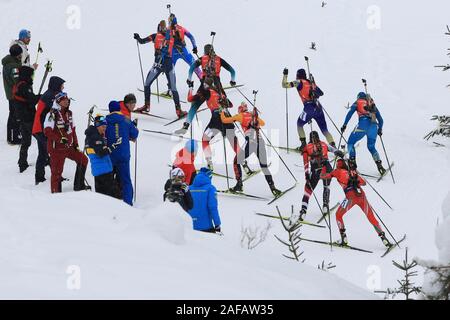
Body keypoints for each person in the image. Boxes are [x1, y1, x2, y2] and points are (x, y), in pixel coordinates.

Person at [320, 159, 392, 248]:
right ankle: (384, 238)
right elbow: (364, 183)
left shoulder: (337, 171)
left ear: (338, 166)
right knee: (371, 217)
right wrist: (355, 175)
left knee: (338, 215)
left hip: (350, 198)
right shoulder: (352, 173)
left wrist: (324, 166)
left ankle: (344, 239)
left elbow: (323, 176)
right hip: (362, 197)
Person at [220, 102, 282, 196]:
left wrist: (221, 112)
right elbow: (263, 123)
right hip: (261, 142)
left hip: (252, 143)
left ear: (240, 109)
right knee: (264, 167)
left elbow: (225, 120)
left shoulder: (240, 116)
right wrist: (254, 118)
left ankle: (239, 184)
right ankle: (273, 188)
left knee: (236, 161)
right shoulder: (253, 115)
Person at [176, 44, 236, 134]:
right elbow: (232, 71)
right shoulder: (219, 59)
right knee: (223, 104)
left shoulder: (202, 58)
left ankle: (185, 126)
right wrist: (232, 81)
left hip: (205, 85)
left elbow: (192, 68)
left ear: (205, 51)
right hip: (217, 86)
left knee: (194, 105)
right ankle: (228, 128)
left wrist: (189, 79)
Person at [133, 20, 187, 118]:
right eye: (162, 28)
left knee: (173, 88)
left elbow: (182, 44)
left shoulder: (171, 36)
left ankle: (178, 110)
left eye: (164, 28)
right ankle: (147, 106)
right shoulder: (155, 36)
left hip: (166, 65)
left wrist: (179, 37)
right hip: (158, 65)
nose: (163, 30)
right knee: (147, 83)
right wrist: (138, 37)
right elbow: (142, 41)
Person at [289, 131, 344, 225]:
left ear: (310, 138)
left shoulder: (307, 147)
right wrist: (338, 152)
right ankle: (325, 205)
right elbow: (333, 149)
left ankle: (303, 211)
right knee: (326, 186)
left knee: (308, 191)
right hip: (327, 168)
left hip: (315, 170)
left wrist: (306, 174)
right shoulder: (323, 144)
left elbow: (305, 162)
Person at [43, 92, 89, 193]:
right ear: (58, 101)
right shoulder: (52, 114)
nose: (67, 102)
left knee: (83, 160)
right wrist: (60, 139)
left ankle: (79, 186)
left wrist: (75, 144)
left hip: (68, 147)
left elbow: (73, 129)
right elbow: (47, 131)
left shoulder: (69, 113)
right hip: (56, 149)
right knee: (57, 172)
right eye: (64, 100)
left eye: (67, 100)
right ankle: (56, 194)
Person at [282, 68, 335, 151]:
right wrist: (313, 83)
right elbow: (321, 93)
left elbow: (284, 85)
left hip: (309, 108)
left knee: (299, 124)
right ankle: (334, 148)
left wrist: (285, 75)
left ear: (298, 75)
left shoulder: (299, 82)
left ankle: (303, 144)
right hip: (318, 108)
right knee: (325, 130)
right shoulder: (310, 82)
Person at [341, 92, 386, 175]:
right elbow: (381, 120)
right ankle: (380, 166)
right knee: (371, 147)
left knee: (350, 143)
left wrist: (344, 124)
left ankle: (352, 165)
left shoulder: (357, 102)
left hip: (363, 125)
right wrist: (380, 129)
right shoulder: (371, 103)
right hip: (374, 127)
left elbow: (349, 113)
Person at [32, 76, 66, 185]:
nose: (63, 87)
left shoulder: (51, 94)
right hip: (41, 129)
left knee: (44, 153)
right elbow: (56, 109)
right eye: (61, 85)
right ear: (56, 85)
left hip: (39, 128)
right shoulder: (50, 96)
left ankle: (41, 177)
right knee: (53, 152)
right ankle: (55, 177)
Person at [106, 101, 139, 206]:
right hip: (123, 154)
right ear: (119, 109)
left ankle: (107, 202)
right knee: (126, 180)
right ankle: (128, 203)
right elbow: (134, 133)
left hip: (110, 154)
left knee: (108, 180)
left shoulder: (105, 121)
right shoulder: (126, 120)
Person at [12, 66, 40, 172]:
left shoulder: (19, 84)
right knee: (40, 138)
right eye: (31, 75)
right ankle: (45, 159)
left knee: (25, 141)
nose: (32, 77)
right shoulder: (24, 86)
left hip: (21, 116)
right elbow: (32, 100)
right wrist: (41, 97)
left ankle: (22, 162)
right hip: (28, 116)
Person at [85, 115, 119, 198]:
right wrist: (113, 147)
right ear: (97, 125)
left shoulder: (95, 135)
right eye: (103, 126)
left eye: (105, 126)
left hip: (100, 170)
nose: (104, 128)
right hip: (103, 172)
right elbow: (101, 153)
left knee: (102, 198)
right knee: (109, 198)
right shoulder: (95, 137)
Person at [168, 14, 201, 80]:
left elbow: (191, 36)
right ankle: (171, 86)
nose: (168, 23)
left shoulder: (177, 29)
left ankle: (204, 81)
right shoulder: (174, 29)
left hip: (180, 50)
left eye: (169, 21)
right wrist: (194, 47)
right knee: (170, 69)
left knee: (194, 65)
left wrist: (195, 47)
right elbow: (191, 36)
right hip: (176, 51)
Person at [188, 167, 222, 233]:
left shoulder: (189, 188)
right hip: (206, 227)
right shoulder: (210, 188)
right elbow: (212, 207)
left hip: (190, 226)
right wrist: (217, 224)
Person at [2, 44, 23, 145]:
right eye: (20, 54)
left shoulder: (8, 62)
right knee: (15, 116)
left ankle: (10, 137)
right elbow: (16, 80)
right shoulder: (14, 66)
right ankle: (14, 138)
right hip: (14, 94)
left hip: (10, 93)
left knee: (12, 115)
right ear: (17, 54)